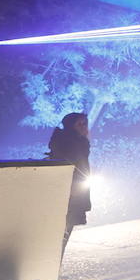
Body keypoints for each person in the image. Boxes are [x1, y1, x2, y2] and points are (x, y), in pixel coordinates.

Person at [47, 112, 92, 261]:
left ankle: (54, 270)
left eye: (85, 123)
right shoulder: (73, 144)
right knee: (61, 237)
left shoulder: (73, 142)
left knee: (61, 237)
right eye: (80, 124)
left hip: (70, 196)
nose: (84, 127)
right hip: (69, 198)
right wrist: (73, 190)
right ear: (70, 127)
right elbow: (69, 168)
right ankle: (53, 271)